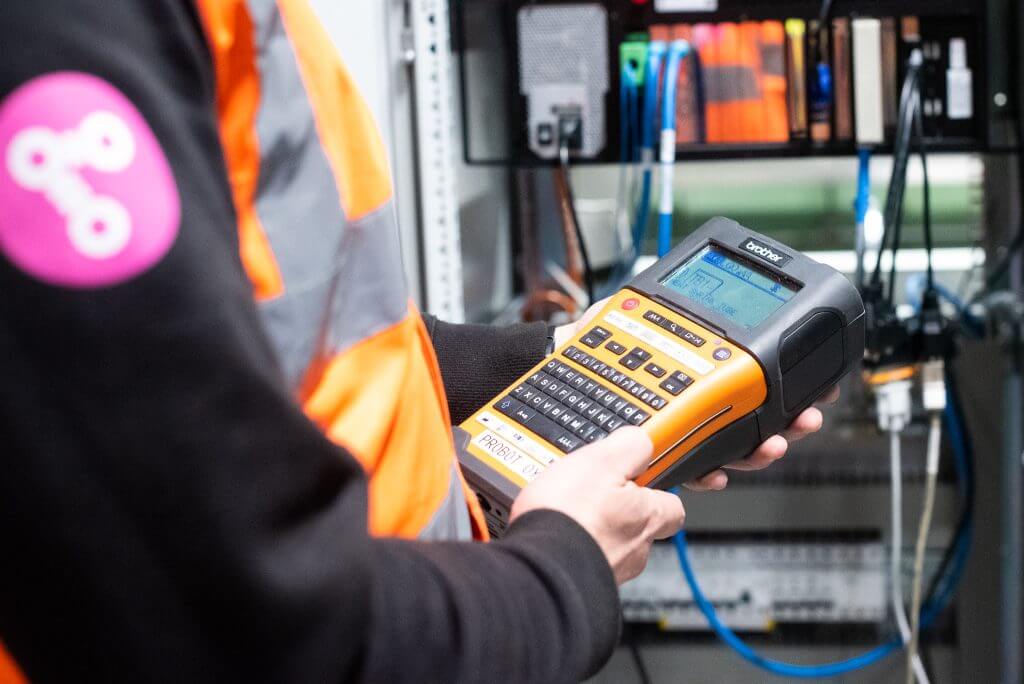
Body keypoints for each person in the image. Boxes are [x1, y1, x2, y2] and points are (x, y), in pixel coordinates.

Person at [0, 1, 832, 682]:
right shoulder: (65, 31)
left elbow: (295, 336)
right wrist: (564, 571)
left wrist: (555, 360)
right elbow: (225, 622)